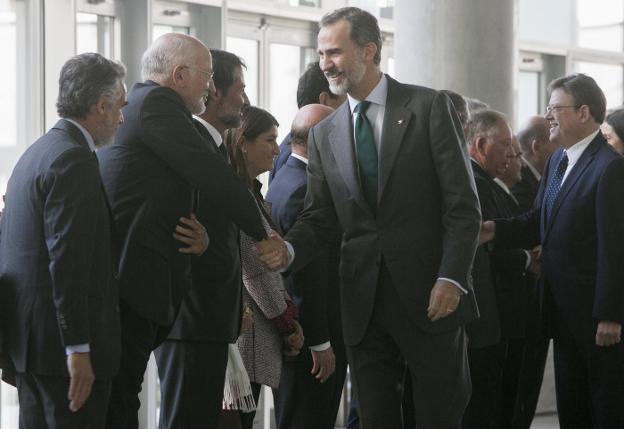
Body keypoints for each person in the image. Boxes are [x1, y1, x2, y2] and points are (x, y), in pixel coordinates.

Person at [260, 7, 482, 428]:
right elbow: (321, 219)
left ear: (369, 50)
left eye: (334, 53)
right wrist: (287, 249)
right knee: (375, 419)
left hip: (431, 296)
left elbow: (463, 207)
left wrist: (452, 277)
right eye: (321, 53)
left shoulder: (429, 107)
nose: (325, 63)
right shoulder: (326, 132)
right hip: (362, 303)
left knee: (440, 415)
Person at [97, 33, 284, 428]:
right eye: (208, 77)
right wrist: (263, 232)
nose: (211, 87)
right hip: (135, 283)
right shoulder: (157, 105)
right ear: (179, 75)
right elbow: (210, 174)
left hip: (145, 283)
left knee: (124, 401)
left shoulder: (153, 108)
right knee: (123, 405)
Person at [482, 73, 624, 428]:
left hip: (595, 319)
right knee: (572, 409)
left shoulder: (610, 168)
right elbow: (538, 221)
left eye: (555, 109)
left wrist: (611, 314)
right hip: (560, 314)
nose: (547, 117)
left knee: (604, 409)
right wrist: (493, 230)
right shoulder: (559, 162)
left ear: (584, 113)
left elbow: (615, 246)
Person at [0, 53, 125, 428]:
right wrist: (79, 347)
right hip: (63, 355)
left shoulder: (35, 154)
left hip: (31, 348)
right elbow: (67, 261)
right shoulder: (73, 160)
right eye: (119, 107)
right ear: (100, 106)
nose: (121, 118)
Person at [153, 49, 250, 429]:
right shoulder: (190, 146)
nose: (244, 99)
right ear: (214, 92)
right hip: (189, 319)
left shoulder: (215, 148)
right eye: (239, 89)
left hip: (208, 319)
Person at [267, 104, 347, 429]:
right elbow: (306, 277)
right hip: (311, 341)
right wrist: (321, 342)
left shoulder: (286, 176)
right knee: (309, 418)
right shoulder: (303, 190)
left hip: (298, 334)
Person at [225, 106, 305, 429]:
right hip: (248, 336)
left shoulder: (250, 192)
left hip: (253, 335)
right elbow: (256, 272)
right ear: (243, 142)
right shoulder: (239, 197)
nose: (277, 148)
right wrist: (288, 323)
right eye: (269, 140)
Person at [462, 110, 533, 429]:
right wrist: (530, 259)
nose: (511, 153)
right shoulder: (475, 185)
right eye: (505, 145)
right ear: (479, 143)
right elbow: (489, 251)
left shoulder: (487, 183)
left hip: (499, 320)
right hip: (488, 320)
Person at [510, 116, 554, 429]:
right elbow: (530, 230)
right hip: (521, 306)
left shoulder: (543, 179)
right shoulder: (520, 185)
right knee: (517, 394)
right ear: (537, 147)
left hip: (535, 306)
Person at [270, 61, 346, 182]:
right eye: (346, 99)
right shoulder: (298, 155)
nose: (349, 109)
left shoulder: (293, 145)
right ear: (325, 101)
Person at [512, 116, 556, 211]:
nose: (562, 150)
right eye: (556, 143)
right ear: (537, 147)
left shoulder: (537, 178)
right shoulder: (518, 182)